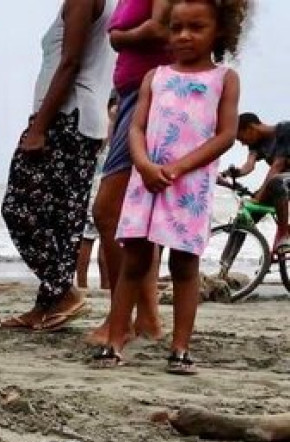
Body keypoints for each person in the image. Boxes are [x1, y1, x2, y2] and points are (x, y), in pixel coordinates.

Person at [94, 0, 243, 375]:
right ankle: (114, 341)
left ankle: (180, 348)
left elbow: (225, 135)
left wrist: (179, 167)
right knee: (135, 260)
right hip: (147, 180)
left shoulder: (223, 79)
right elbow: (137, 127)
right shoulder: (155, 77)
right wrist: (143, 163)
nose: (184, 36)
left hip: (189, 186)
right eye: (176, 28)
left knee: (184, 264)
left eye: (196, 27)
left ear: (220, 31)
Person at [0, 0, 114, 332]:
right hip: (84, 121)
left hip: (65, 117)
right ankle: (47, 303)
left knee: (17, 208)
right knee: (62, 220)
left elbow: (70, 63)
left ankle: (63, 292)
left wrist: (39, 127)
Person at [87, 0, 172, 346]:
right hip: (131, 95)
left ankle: (118, 319)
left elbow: (160, 27)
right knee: (138, 219)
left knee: (107, 211)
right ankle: (147, 317)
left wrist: (120, 36)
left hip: (149, 95)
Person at [226, 113, 290, 252]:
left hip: (283, 181)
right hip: (280, 184)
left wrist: (259, 196)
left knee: (276, 182)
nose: (242, 143)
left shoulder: (285, 130)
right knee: (246, 216)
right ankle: (224, 267)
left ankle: (284, 236)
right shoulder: (255, 144)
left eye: (241, 138)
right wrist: (234, 173)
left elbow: (278, 165)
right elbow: (249, 166)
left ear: (250, 128)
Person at [77, 95, 119, 291]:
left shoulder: (107, 132)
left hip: (100, 187)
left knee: (98, 238)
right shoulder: (107, 132)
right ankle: (87, 282)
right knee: (92, 238)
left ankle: (101, 283)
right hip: (97, 187)